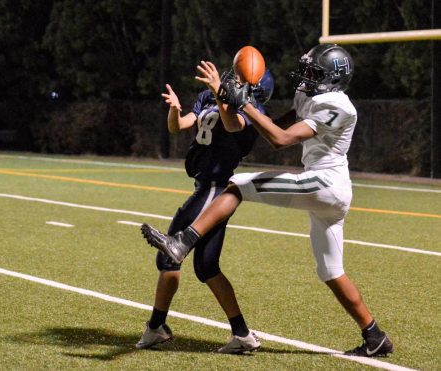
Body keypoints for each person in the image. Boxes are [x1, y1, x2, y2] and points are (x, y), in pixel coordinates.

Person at [141, 44, 394, 358]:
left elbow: (280, 139)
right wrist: (243, 106)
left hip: (326, 182)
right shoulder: (311, 98)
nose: (306, 77)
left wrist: (245, 105)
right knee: (330, 271)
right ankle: (375, 336)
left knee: (235, 185)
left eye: (315, 73)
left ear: (334, 79)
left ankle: (183, 242)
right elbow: (281, 123)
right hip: (325, 189)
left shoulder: (339, 105)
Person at [136, 54, 274, 353]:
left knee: (169, 256)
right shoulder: (211, 98)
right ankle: (242, 335)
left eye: (239, 80)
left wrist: (219, 93)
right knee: (207, 267)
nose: (231, 82)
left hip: (214, 187)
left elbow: (233, 125)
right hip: (203, 187)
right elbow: (179, 126)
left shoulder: (251, 109)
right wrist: (175, 110)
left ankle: (156, 327)